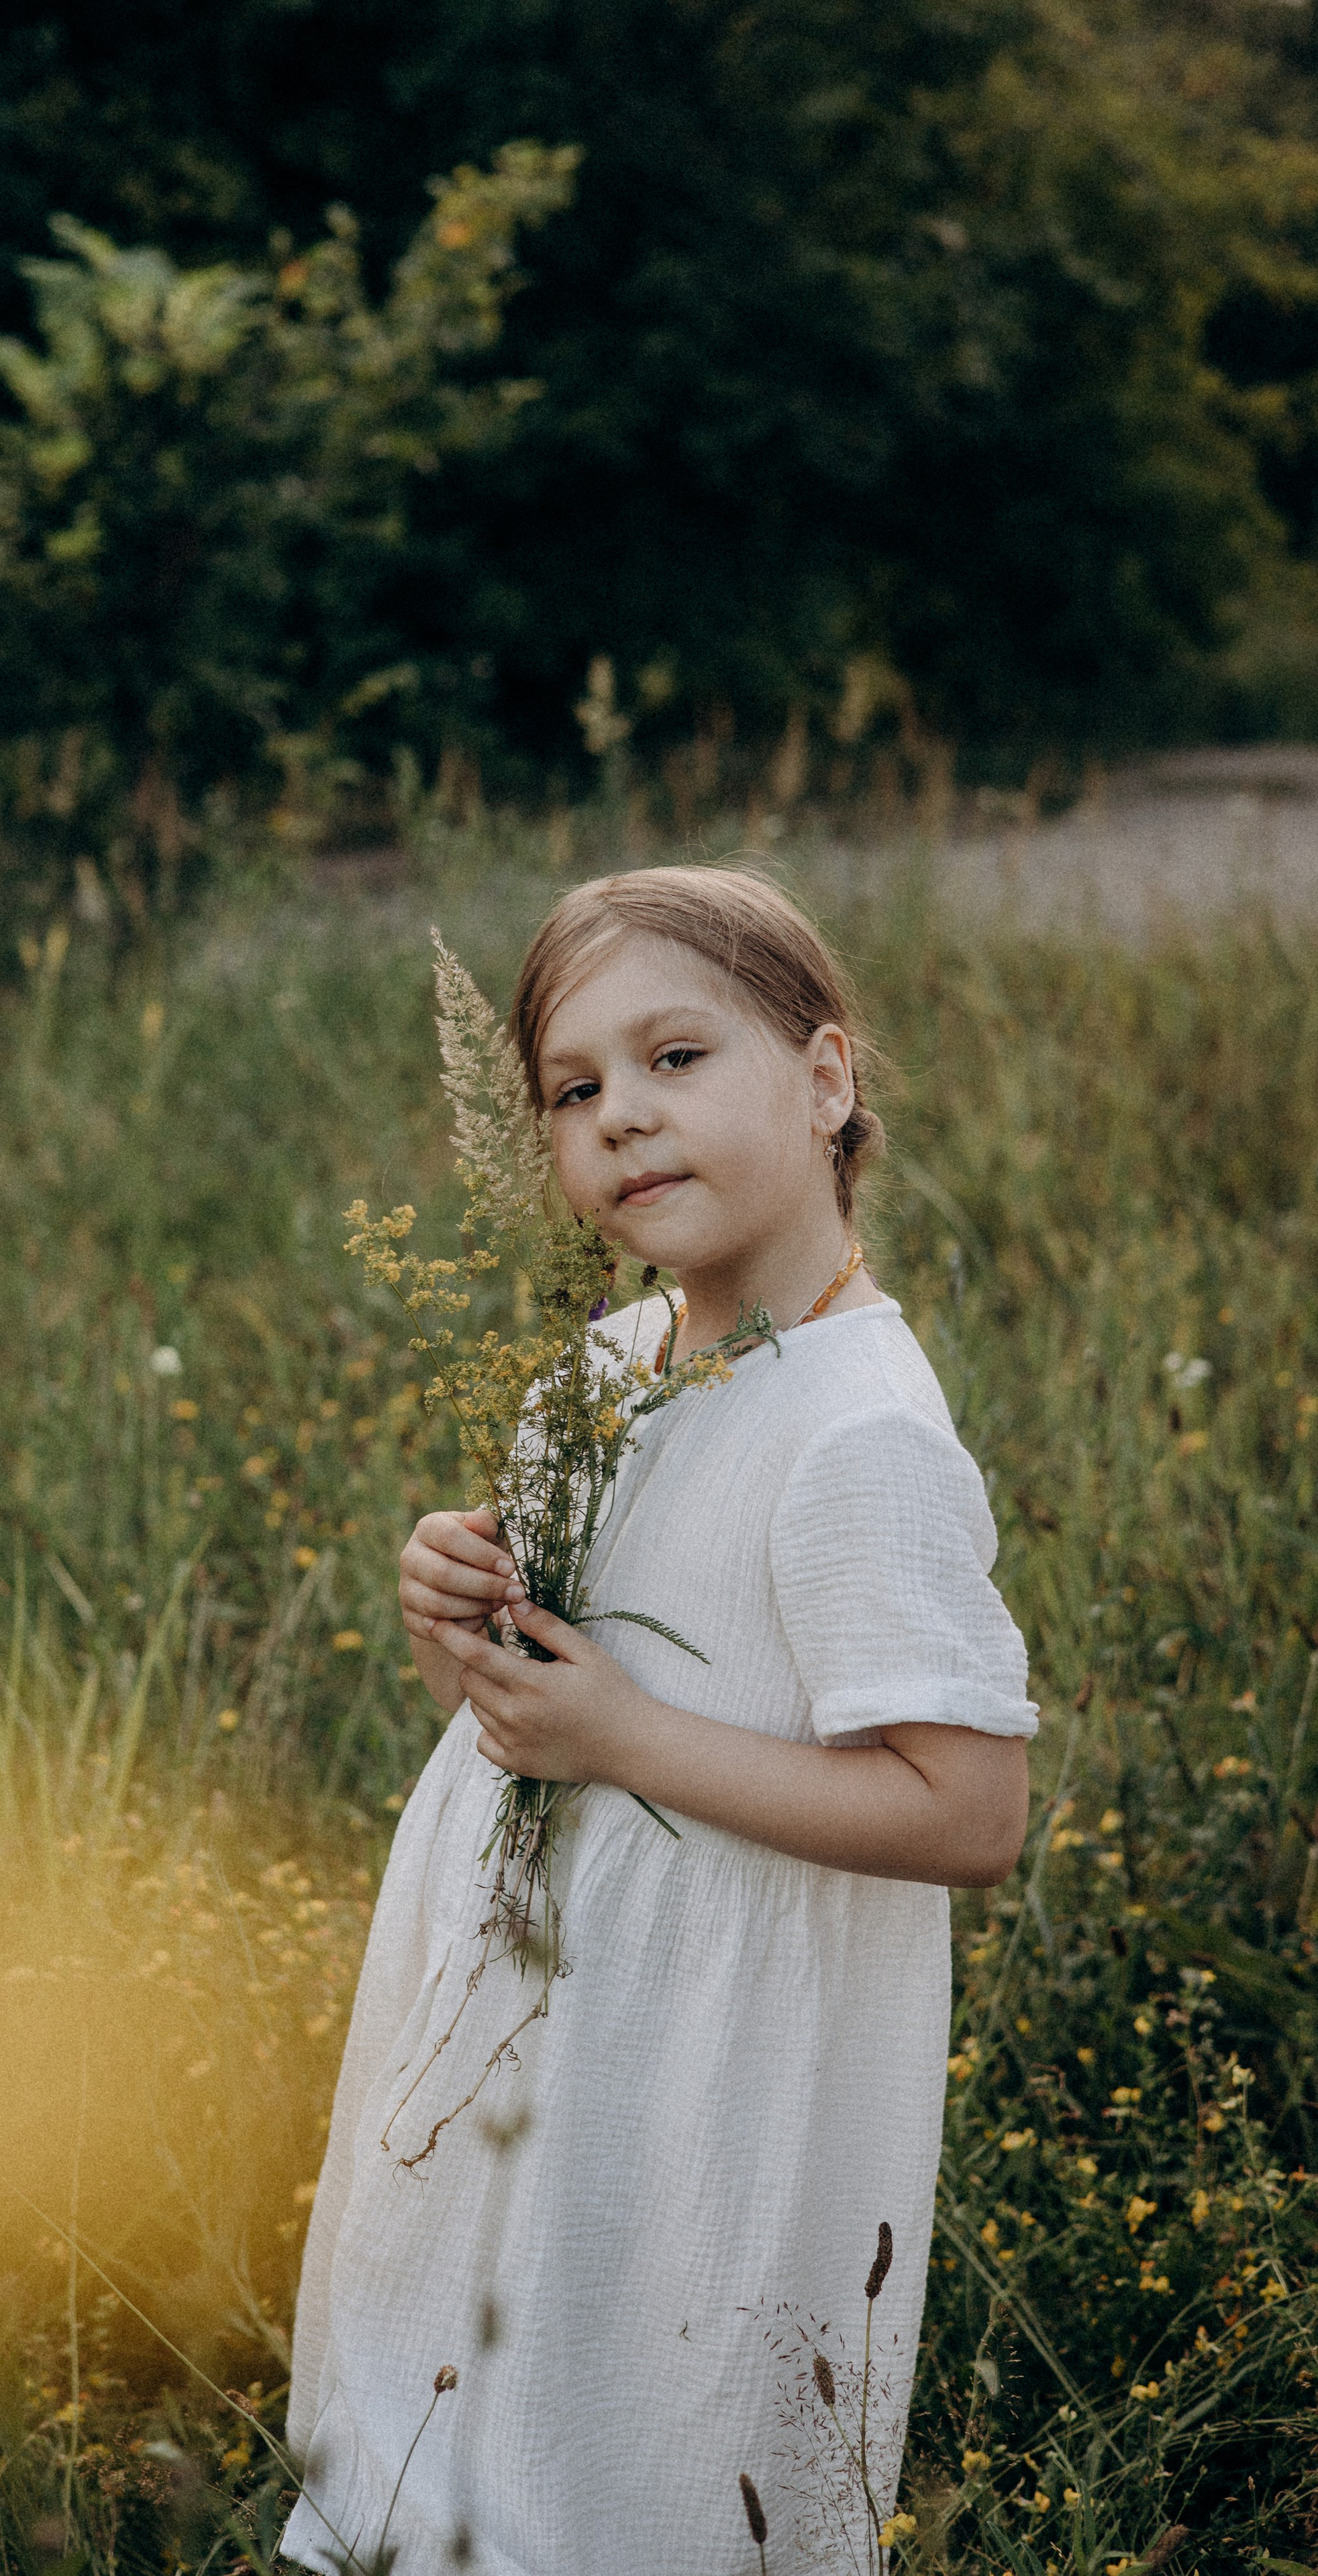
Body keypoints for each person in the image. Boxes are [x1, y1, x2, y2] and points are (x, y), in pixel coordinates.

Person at [281, 866, 1036, 2576]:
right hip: (516, 2020)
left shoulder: (859, 1437)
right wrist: (458, 1631)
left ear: (826, 1078)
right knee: (447, 2398)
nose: (623, 1115)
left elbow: (966, 1816)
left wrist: (624, 1738)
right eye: (575, 1088)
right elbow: (531, 1730)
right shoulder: (593, 1375)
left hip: (700, 2066)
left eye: (676, 1056)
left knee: (636, 2441)